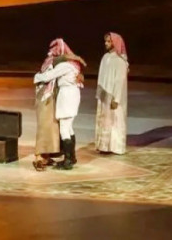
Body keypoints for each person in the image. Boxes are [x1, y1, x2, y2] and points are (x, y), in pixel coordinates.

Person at [33, 38, 85, 170]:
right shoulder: (73, 65)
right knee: (69, 127)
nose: (52, 52)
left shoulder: (64, 66)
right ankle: (71, 157)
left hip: (67, 96)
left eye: (55, 49)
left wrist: (36, 77)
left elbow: (48, 76)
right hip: (72, 95)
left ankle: (68, 161)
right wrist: (76, 57)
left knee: (64, 129)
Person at [95, 32, 129, 155]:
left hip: (113, 96)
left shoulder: (120, 61)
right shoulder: (105, 57)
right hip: (104, 95)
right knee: (104, 120)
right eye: (106, 41)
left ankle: (115, 147)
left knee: (115, 121)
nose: (106, 43)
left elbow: (120, 81)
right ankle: (104, 146)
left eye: (109, 41)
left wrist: (116, 99)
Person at [33, 42, 63, 170]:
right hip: (45, 98)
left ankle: (46, 155)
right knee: (45, 127)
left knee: (51, 127)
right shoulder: (53, 62)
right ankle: (39, 157)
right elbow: (46, 77)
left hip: (47, 98)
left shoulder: (51, 61)